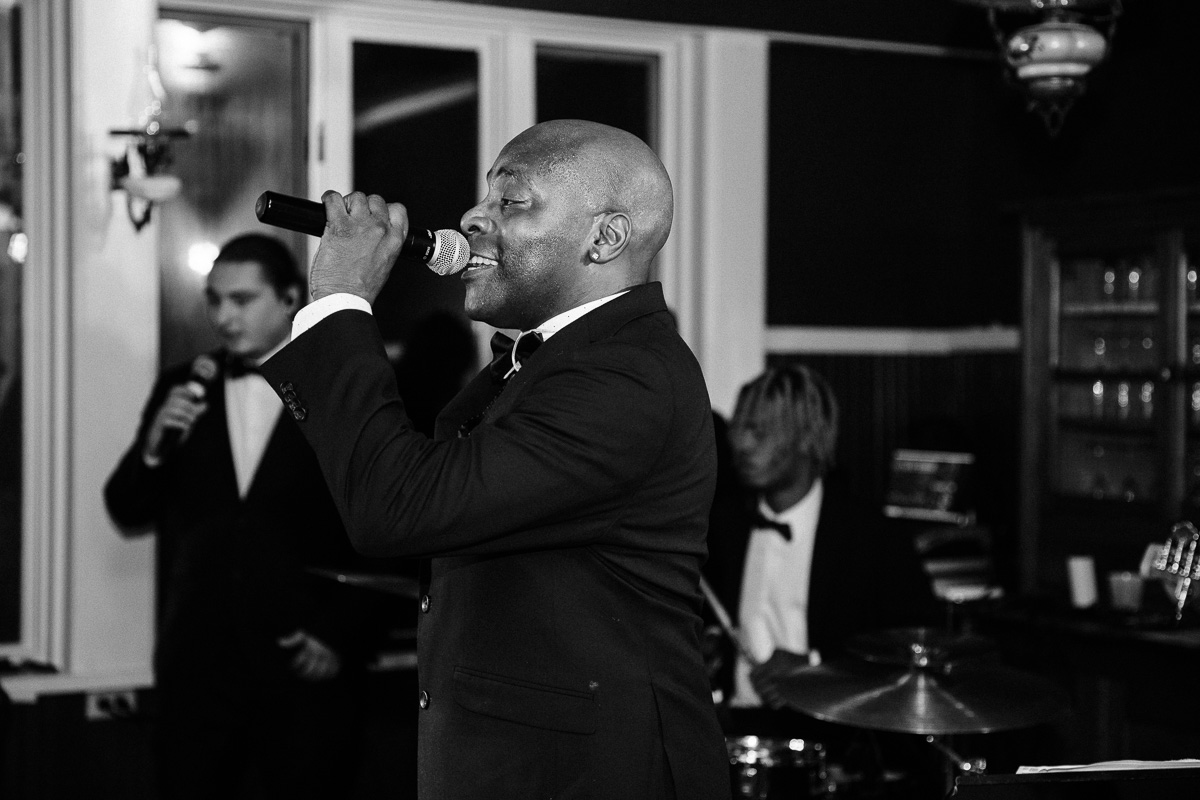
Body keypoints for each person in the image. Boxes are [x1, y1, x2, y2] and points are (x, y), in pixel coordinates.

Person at [258, 120, 730, 800]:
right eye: (485, 197)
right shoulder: (552, 363)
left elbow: (399, 507)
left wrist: (338, 301)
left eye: (511, 201)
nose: (472, 218)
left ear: (605, 238)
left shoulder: (627, 376)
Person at [104, 234, 376, 800]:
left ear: (290, 298)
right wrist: (153, 449)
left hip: (302, 660)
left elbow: (383, 520)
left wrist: (340, 631)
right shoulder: (184, 386)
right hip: (197, 665)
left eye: (242, 299)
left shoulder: (336, 389)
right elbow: (126, 508)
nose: (223, 317)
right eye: (214, 299)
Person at [703, 365, 940, 787]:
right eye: (739, 428)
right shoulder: (723, 524)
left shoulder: (871, 537)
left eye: (759, 432)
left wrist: (815, 668)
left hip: (832, 742)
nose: (741, 444)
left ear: (807, 439)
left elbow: (911, 652)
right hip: (735, 736)